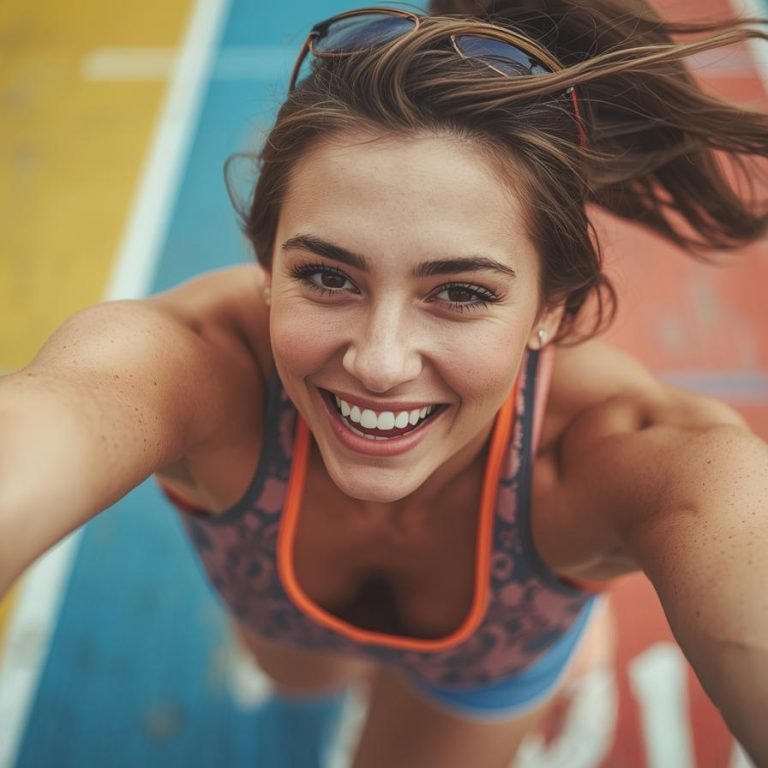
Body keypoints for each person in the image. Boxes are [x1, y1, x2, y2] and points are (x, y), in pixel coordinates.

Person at [1, 2, 767, 765]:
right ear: (268, 269)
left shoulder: (621, 454)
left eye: (461, 292)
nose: (379, 361)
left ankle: (573, 628)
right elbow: (46, 424)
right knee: (299, 681)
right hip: (285, 628)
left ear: (550, 308)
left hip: (484, 669)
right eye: (328, 276)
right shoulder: (194, 367)